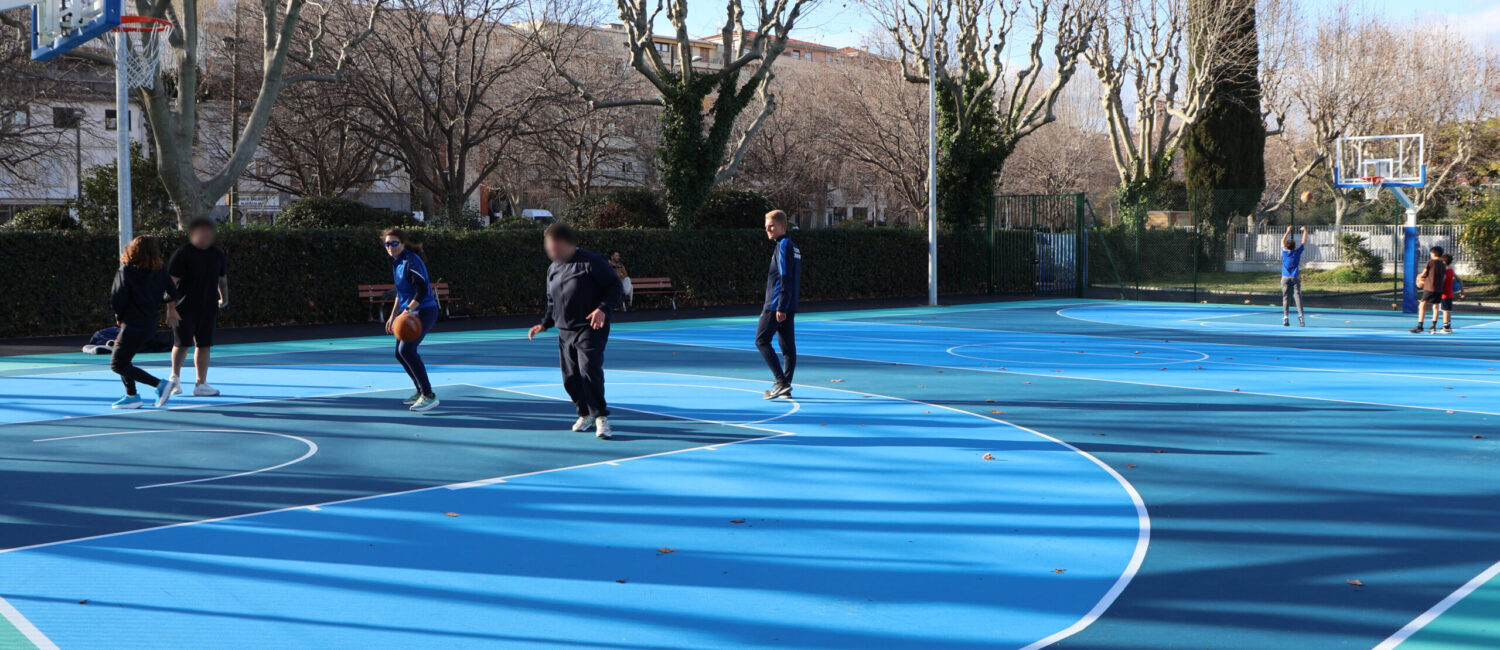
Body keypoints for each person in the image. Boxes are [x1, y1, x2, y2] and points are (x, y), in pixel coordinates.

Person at [528, 223, 624, 439]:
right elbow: (552, 302)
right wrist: (544, 323)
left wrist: (602, 309)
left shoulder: (591, 261)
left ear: (564, 243)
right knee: (570, 378)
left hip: (591, 327)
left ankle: (601, 418)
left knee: (589, 370)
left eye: (553, 247)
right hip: (565, 331)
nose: (550, 251)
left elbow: (615, 287)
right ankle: (585, 414)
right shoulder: (553, 269)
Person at [110, 235, 183, 409]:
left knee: (117, 364)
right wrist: (157, 299)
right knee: (124, 361)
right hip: (149, 323)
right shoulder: (161, 272)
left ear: (133, 250)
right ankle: (132, 395)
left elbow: (117, 298)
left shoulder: (125, 271)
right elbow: (173, 294)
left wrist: (119, 317)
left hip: (132, 324)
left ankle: (160, 385)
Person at [166, 217, 228, 397]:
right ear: (193, 233)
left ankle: (201, 384)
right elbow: (170, 283)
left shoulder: (217, 254)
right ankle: (175, 379)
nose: (206, 234)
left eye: (209, 231)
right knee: (182, 344)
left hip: (208, 307)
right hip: (184, 308)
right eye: (202, 231)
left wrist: (224, 298)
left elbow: (222, 279)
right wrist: (170, 308)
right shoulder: (183, 253)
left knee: (204, 344)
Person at [383, 228, 440, 412]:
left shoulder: (411, 261)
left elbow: (421, 291)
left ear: (403, 243)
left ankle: (429, 395)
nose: (390, 247)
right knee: (400, 353)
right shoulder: (397, 263)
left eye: (394, 243)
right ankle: (419, 391)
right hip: (409, 313)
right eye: (387, 244)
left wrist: (406, 312)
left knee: (407, 350)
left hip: (424, 311)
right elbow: (401, 293)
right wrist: (393, 316)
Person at [757, 209, 801, 399]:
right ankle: (786, 385)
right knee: (788, 349)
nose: (768, 229)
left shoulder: (783, 246)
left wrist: (780, 305)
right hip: (788, 303)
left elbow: (785, 277)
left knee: (761, 340)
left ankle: (781, 382)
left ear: (782, 226)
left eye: (771, 226)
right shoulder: (793, 246)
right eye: (766, 226)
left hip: (777, 305)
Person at [1412, 246, 1447, 334]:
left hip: (1430, 287)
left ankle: (1420, 326)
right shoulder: (1443, 264)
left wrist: (1419, 278)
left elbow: (1424, 274)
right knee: (1436, 307)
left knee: (1422, 305)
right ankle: (1433, 327)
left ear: (1433, 253)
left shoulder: (1430, 262)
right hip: (1439, 288)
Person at [1280, 225, 1307, 327]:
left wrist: (1287, 231)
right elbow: (1304, 242)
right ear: (1294, 246)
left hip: (1285, 277)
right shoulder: (1297, 252)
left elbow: (1283, 240)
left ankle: (1286, 317)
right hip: (1295, 277)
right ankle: (1301, 316)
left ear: (1287, 246)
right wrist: (1305, 231)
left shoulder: (1284, 252)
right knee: (1297, 296)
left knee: (1285, 297)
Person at [1436, 253, 1465, 334]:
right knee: (1448, 310)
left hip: (1444, 294)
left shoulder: (1444, 272)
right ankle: (1448, 326)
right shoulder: (1451, 270)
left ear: (1444, 262)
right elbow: (1460, 280)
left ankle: (1446, 328)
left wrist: (1437, 290)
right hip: (1450, 294)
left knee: (1445, 310)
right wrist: (1462, 290)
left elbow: (1442, 281)